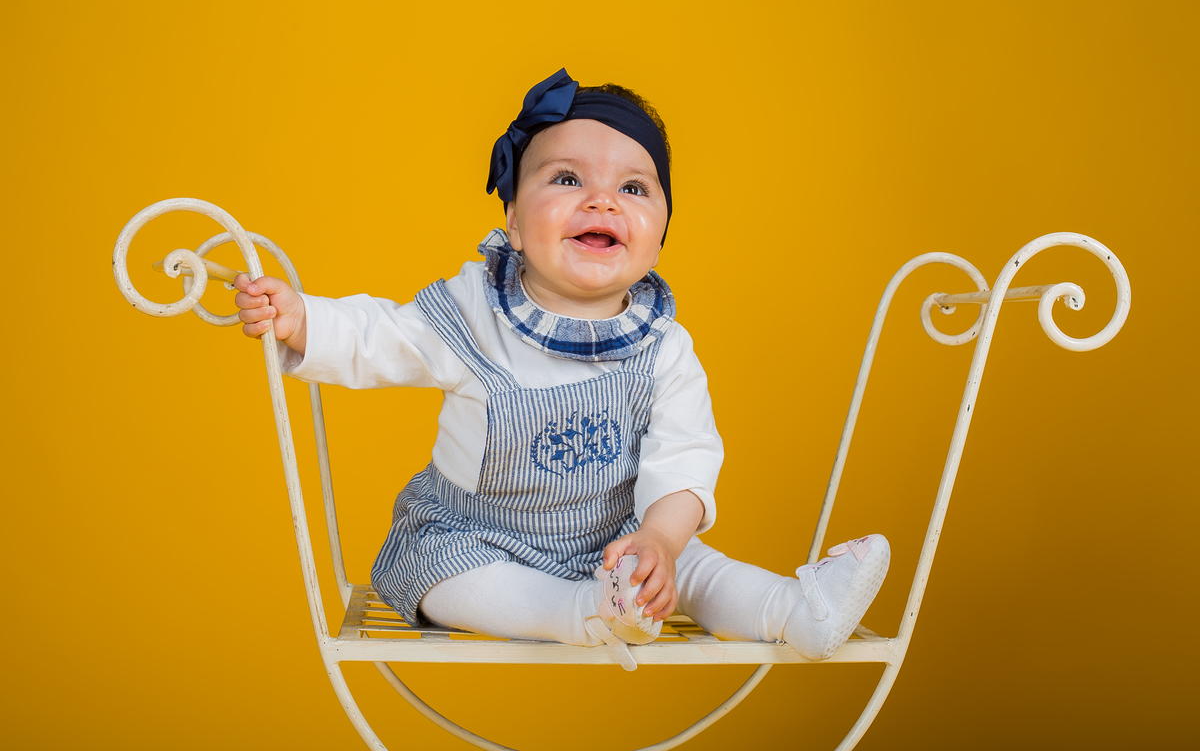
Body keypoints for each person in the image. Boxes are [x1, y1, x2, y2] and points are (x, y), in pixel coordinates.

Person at [233, 69, 890, 671]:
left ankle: (800, 611)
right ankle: (585, 615)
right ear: (513, 220)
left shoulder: (663, 348)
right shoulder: (473, 311)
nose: (601, 201)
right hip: (476, 537)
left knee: (689, 568)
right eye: (568, 180)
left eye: (633, 187)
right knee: (456, 581)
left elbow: (685, 459)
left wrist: (658, 539)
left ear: (660, 233)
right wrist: (302, 319)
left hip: (617, 541)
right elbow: (382, 335)